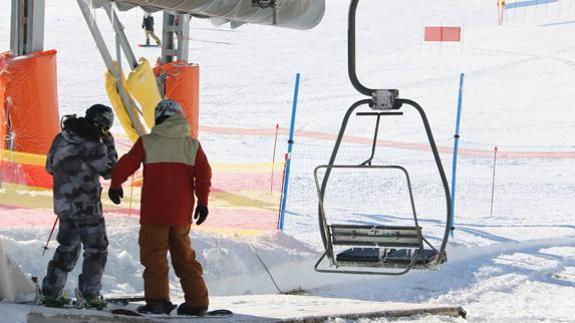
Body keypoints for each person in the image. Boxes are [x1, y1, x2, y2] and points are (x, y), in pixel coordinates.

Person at [108, 99, 211, 316]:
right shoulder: (192, 145)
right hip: (181, 214)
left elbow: (127, 163)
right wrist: (202, 202)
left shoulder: (148, 142)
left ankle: (157, 302)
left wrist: (116, 184)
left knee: (154, 258)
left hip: (154, 213)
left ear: (158, 117)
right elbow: (203, 176)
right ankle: (197, 301)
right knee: (185, 258)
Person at [40, 104, 117, 309]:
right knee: (96, 249)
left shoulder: (61, 138)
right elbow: (110, 170)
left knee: (67, 247)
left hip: (64, 205)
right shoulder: (95, 145)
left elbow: (49, 167)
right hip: (87, 207)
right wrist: (109, 142)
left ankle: (51, 292)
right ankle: (90, 294)